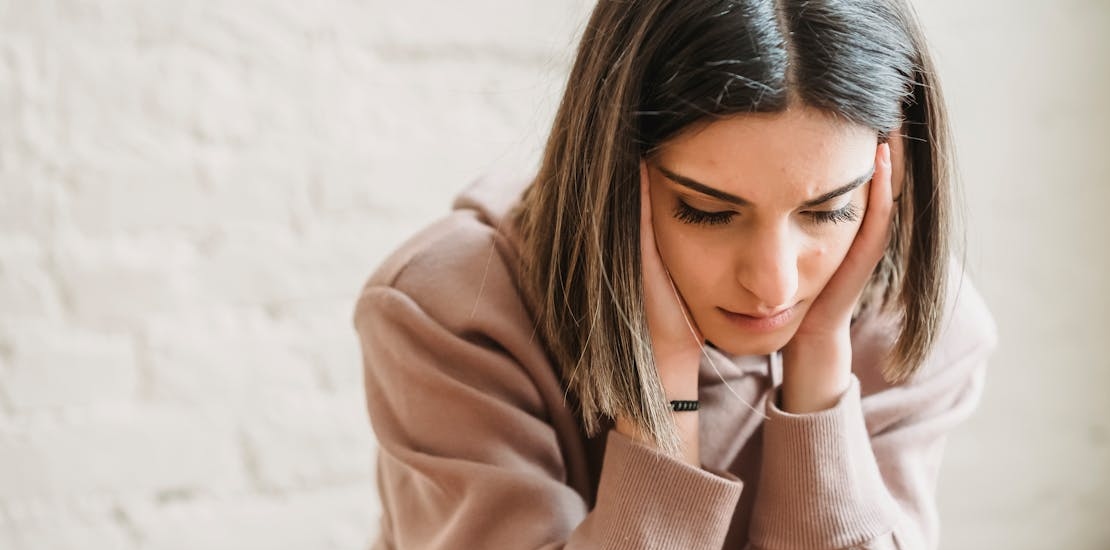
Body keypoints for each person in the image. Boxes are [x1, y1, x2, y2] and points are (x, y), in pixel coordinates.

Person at [352, 0, 998, 548]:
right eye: (708, 211)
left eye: (828, 210)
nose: (773, 284)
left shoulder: (919, 324)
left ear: (895, 176)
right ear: (608, 169)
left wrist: (820, 373)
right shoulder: (451, 314)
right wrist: (659, 402)